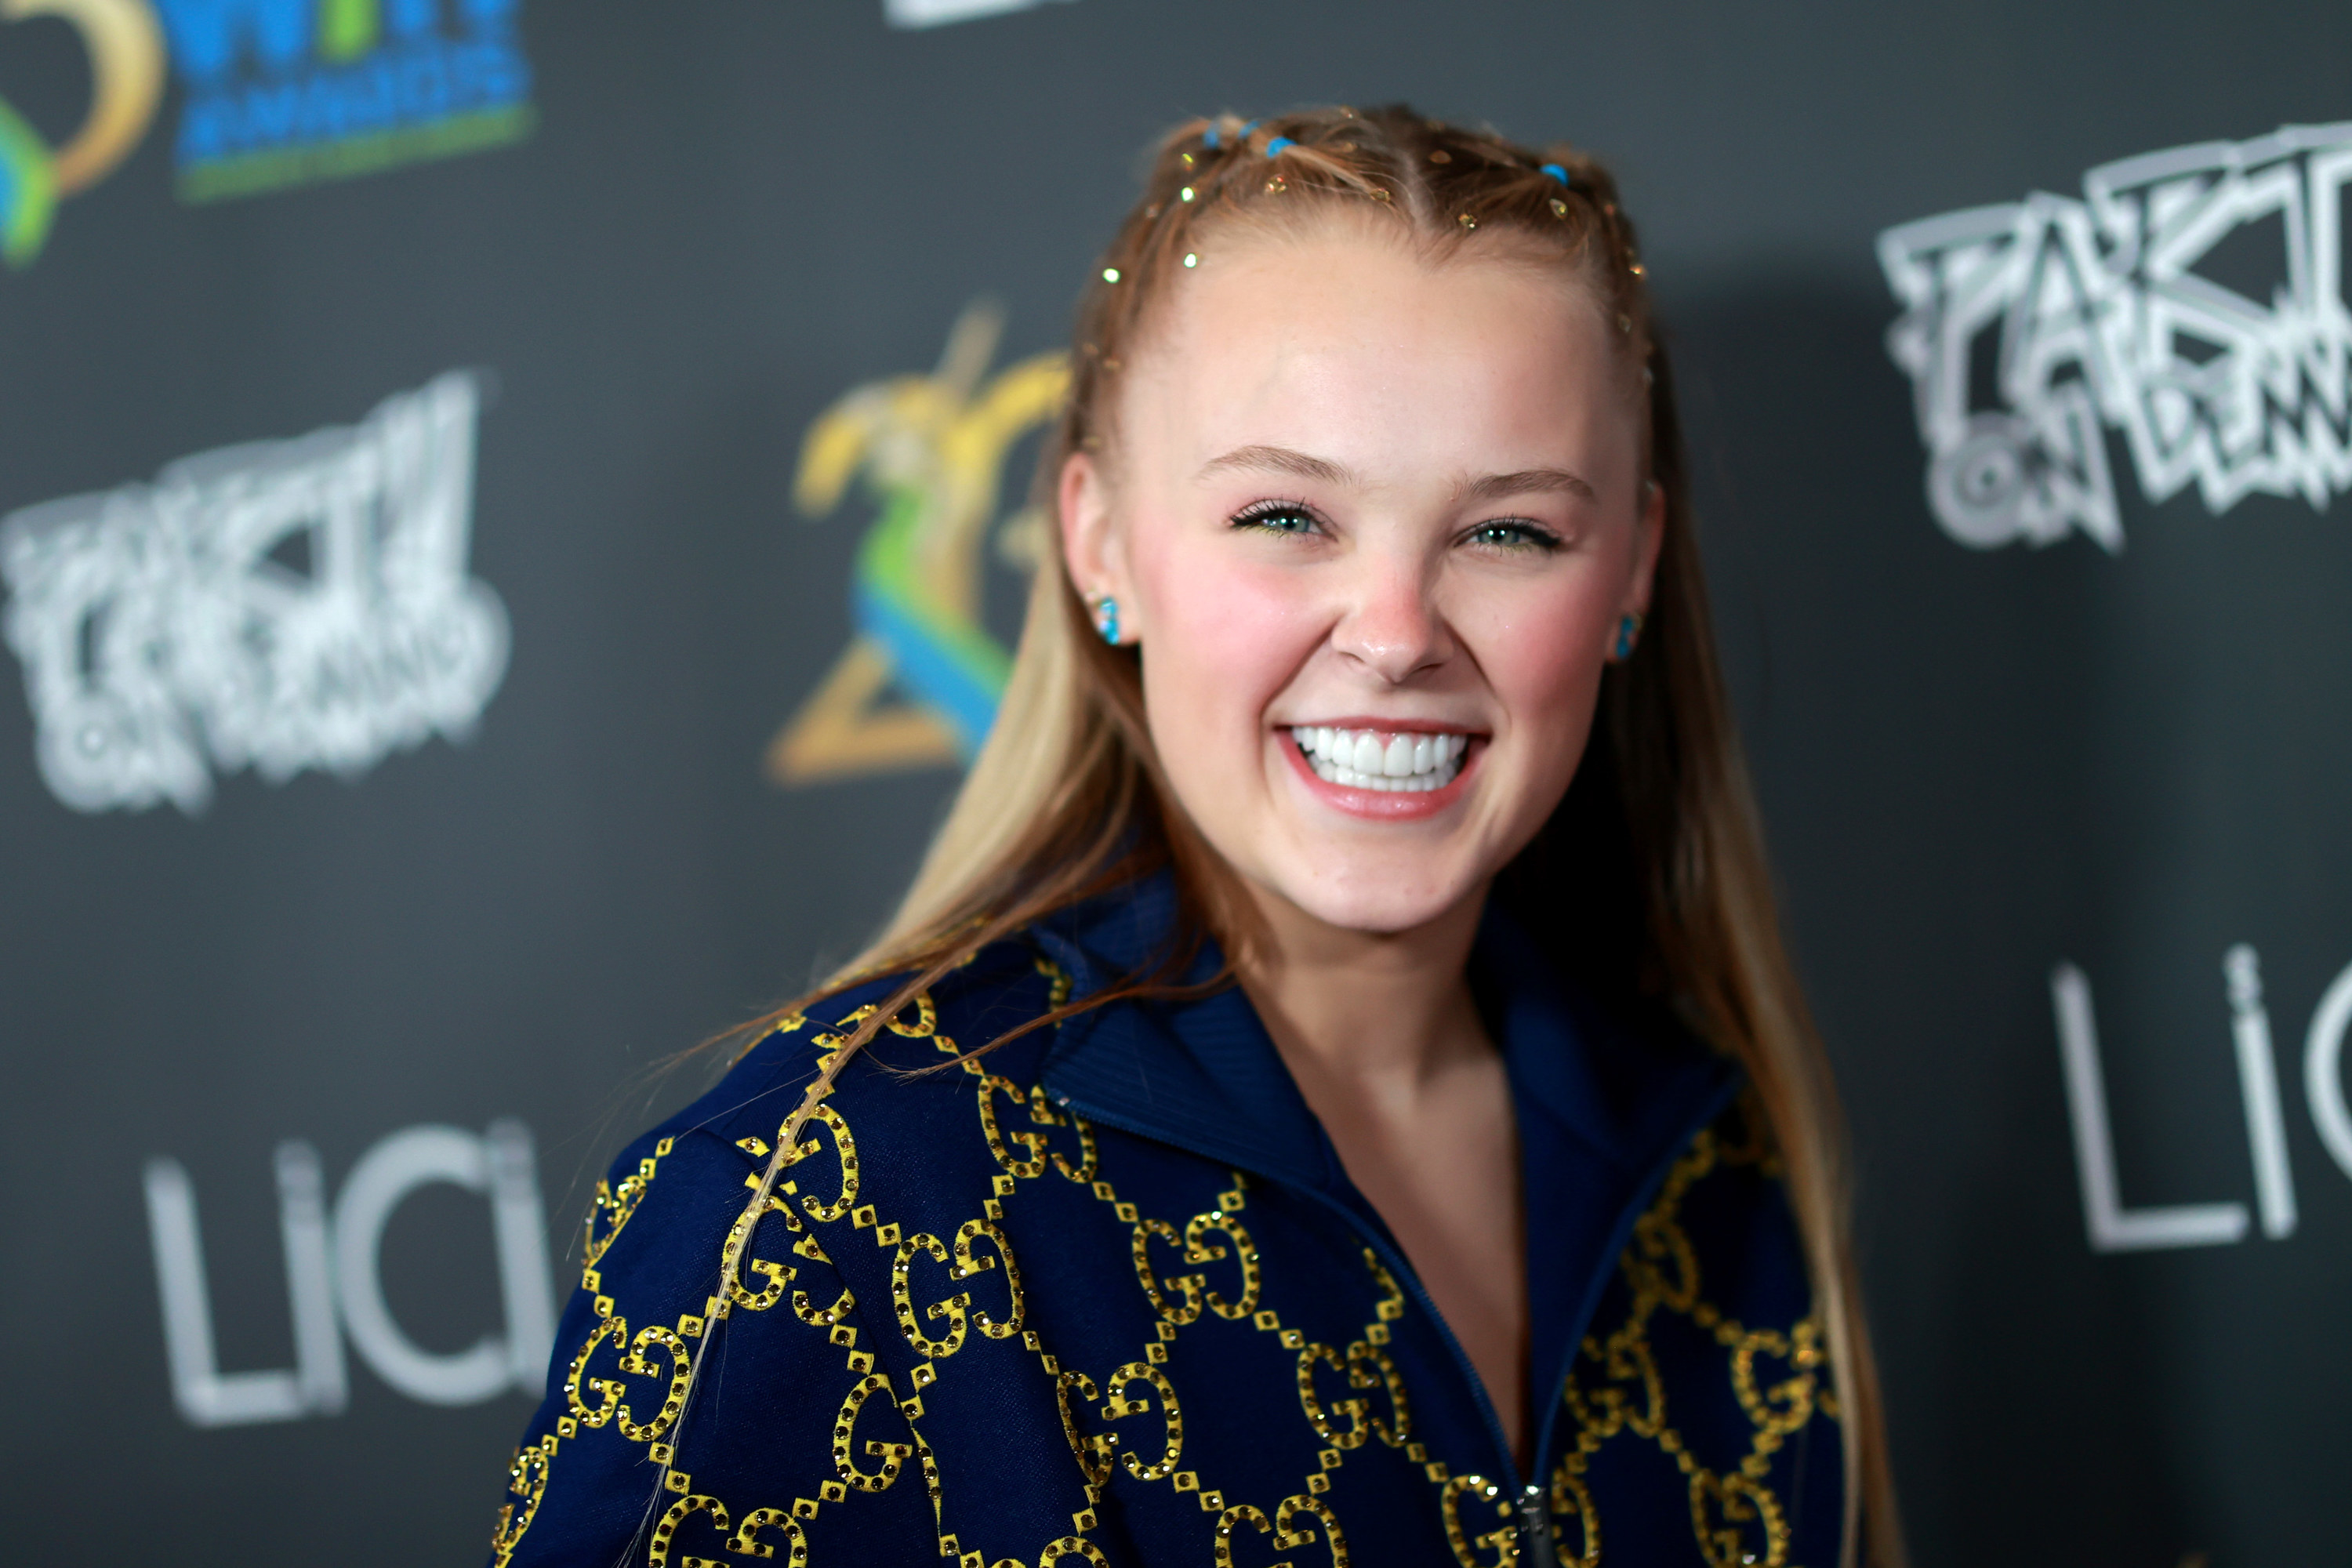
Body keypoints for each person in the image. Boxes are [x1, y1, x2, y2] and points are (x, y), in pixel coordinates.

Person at [485, 104, 1899, 1568]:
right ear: (1099, 543)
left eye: (1509, 533)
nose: (1400, 636)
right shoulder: (818, 1193)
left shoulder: (1707, 1148)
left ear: (1633, 572)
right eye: (1287, 515)